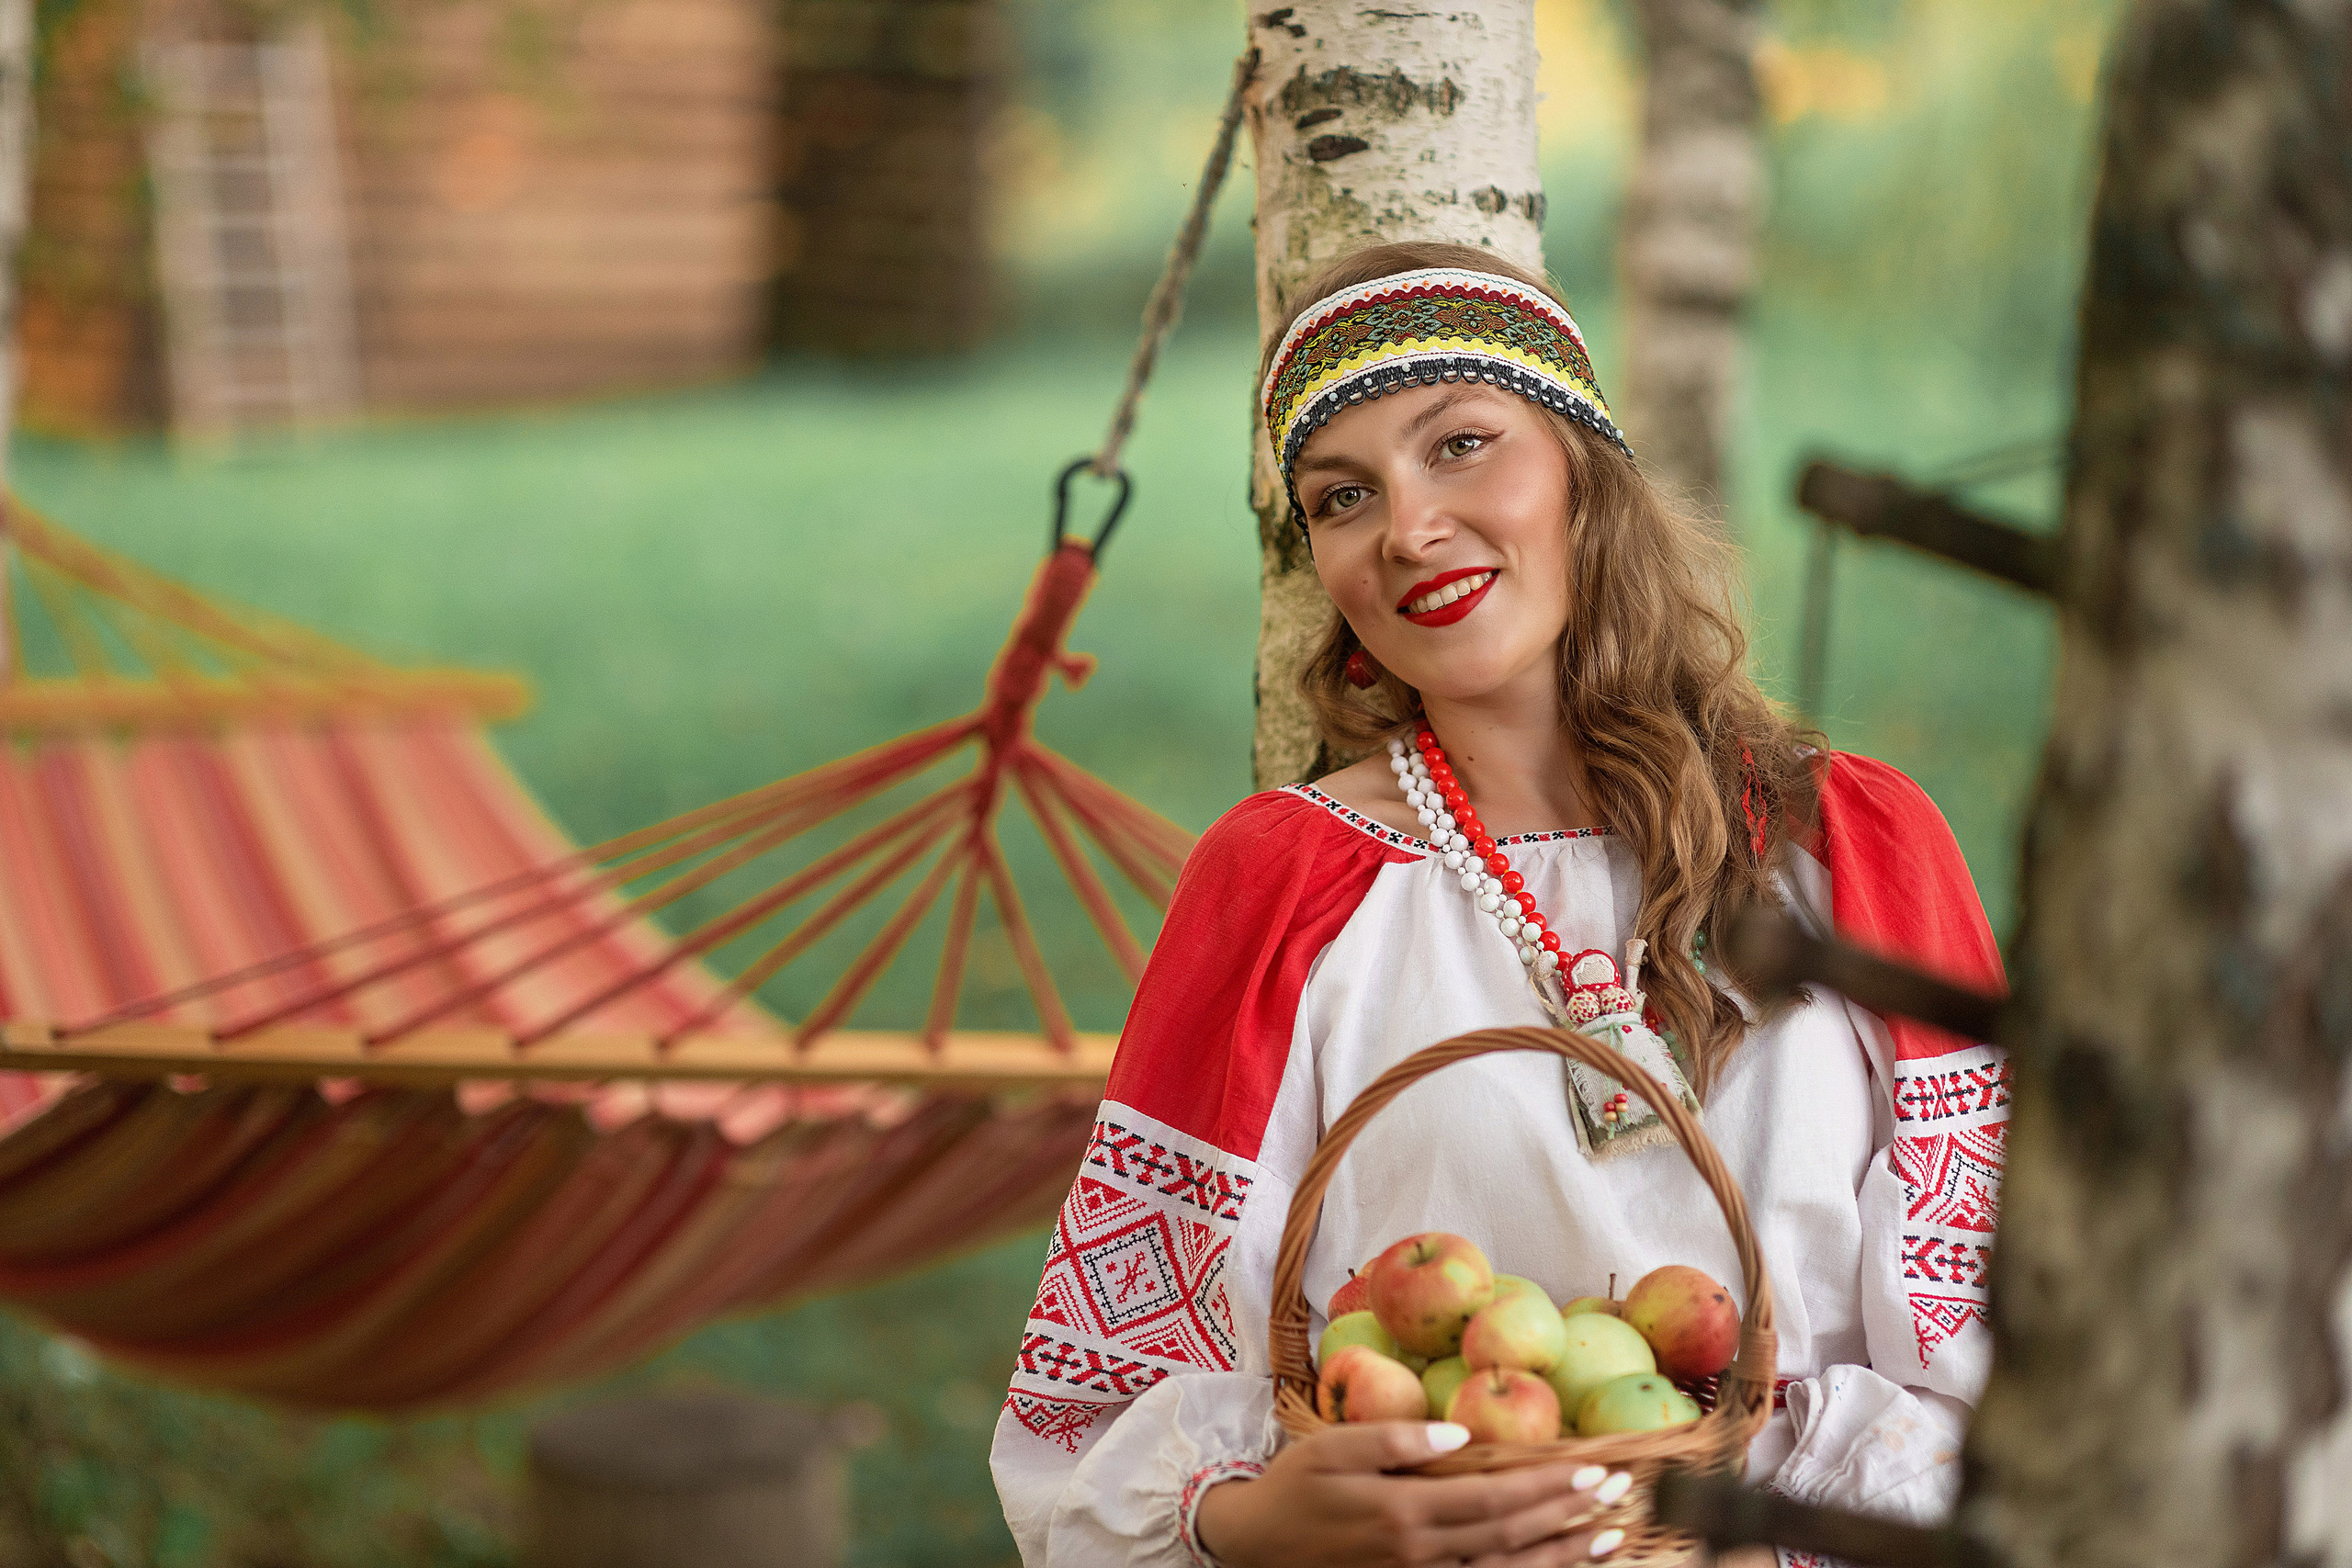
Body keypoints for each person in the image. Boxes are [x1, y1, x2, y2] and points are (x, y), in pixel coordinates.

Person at [989, 242, 2007, 1568]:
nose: (1406, 526)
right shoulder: (1285, 885)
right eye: (1342, 495)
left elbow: (2015, 1376)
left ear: (1586, 468)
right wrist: (1249, 1520)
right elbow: (1095, 1413)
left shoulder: (1854, 852)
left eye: (1460, 444)